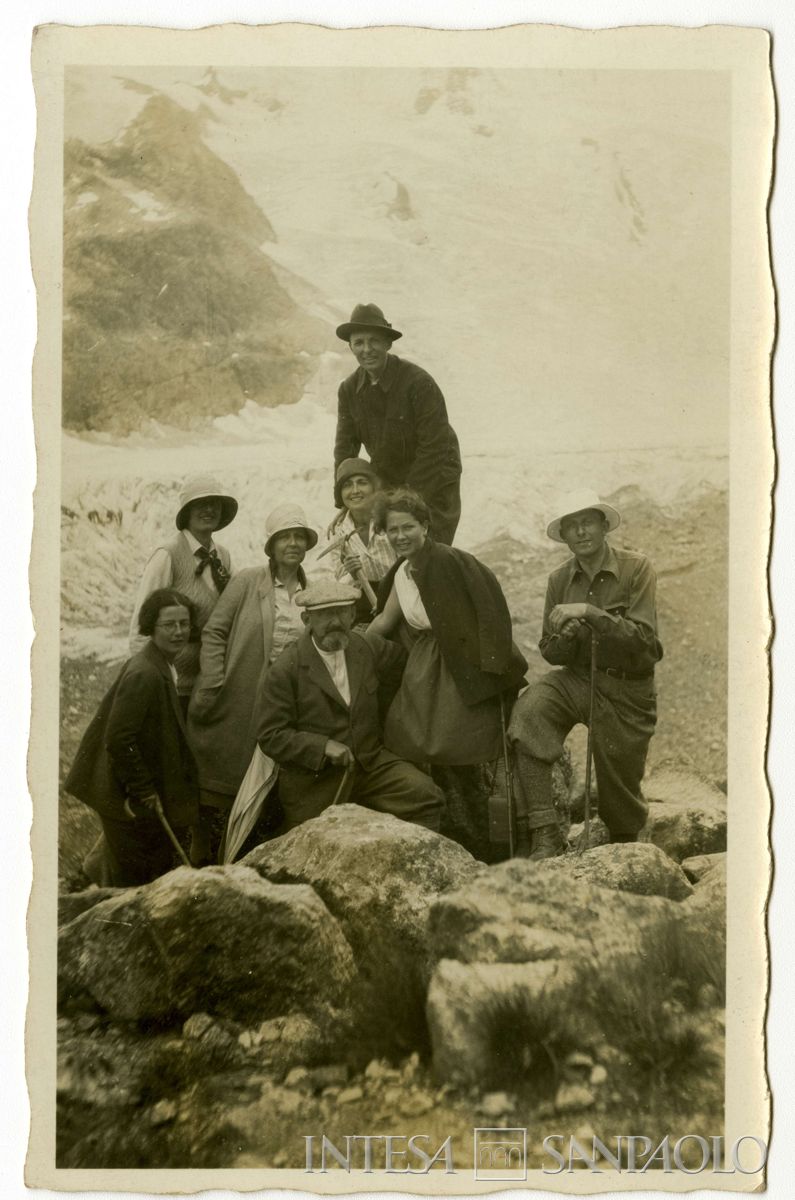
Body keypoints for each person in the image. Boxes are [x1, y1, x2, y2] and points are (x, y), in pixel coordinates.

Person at [367, 489, 527, 853]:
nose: (400, 536)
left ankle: (493, 843)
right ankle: (435, 826)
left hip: (461, 666)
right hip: (423, 665)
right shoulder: (401, 573)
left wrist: (495, 672)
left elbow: (491, 609)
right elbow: (384, 621)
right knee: (408, 738)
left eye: (408, 527)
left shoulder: (453, 561)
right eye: (393, 530)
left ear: (425, 526)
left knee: (470, 749)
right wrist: (352, 645)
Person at [508, 490, 663, 859]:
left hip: (628, 688)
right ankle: (545, 830)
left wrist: (592, 614)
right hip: (577, 680)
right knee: (530, 712)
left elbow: (645, 641)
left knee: (620, 789)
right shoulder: (559, 579)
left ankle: (626, 848)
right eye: (571, 527)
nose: (580, 533)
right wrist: (567, 637)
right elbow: (549, 649)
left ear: (603, 525)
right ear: (564, 536)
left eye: (587, 523)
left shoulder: (636, 568)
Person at [257, 580, 443, 833]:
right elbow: (271, 735)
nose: (335, 621)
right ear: (306, 619)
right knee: (319, 840)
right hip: (317, 782)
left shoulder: (366, 647)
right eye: (324, 614)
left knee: (425, 795)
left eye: (342, 612)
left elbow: (410, 668)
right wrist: (323, 747)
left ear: (353, 614)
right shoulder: (286, 669)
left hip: (372, 765)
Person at [187, 504, 317, 862]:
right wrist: (214, 680)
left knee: (268, 778)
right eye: (284, 537)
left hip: (286, 698)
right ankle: (206, 850)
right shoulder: (248, 581)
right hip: (241, 688)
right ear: (271, 545)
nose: (292, 543)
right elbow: (215, 631)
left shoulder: (310, 591)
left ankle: (247, 850)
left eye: (299, 537)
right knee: (222, 770)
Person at [64, 589, 199, 887]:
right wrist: (144, 791)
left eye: (184, 623)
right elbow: (118, 737)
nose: (179, 632)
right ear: (151, 626)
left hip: (132, 791)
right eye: (169, 625)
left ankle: (86, 888)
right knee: (134, 880)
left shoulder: (161, 663)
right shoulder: (145, 673)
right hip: (126, 795)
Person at [333, 303, 462, 545]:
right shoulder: (348, 389)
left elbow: (435, 448)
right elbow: (345, 450)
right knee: (387, 549)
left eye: (374, 341)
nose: (367, 349)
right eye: (359, 342)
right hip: (389, 478)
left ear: (388, 344)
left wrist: (407, 501)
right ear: (350, 346)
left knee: (426, 548)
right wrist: (344, 500)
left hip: (435, 479)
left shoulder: (419, 383)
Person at [129, 474, 238, 705]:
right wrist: (148, 682)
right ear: (187, 511)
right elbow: (142, 624)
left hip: (210, 683)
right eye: (200, 504)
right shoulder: (167, 556)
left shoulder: (224, 557)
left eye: (214, 503)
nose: (208, 509)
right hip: (172, 685)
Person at [324, 457, 397, 626]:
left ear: (374, 487)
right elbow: (339, 581)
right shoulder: (338, 531)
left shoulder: (389, 520)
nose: (355, 490)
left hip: (398, 598)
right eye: (347, 485)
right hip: (362, 607)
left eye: (362, 482)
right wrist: (351, 574)